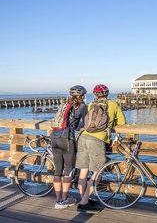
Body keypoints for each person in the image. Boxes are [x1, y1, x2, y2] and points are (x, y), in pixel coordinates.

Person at [76, 84, 126, 212]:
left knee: (84, 171)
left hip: (83, 138)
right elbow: (122, 123)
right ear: (107, 93)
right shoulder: (113, 104)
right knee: (98, 172)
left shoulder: (91, 105)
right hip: (97, 140)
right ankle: (84, 202)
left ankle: (85, 199)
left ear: (95, 95)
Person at [50, 85, 88, 209]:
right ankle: (64, 199)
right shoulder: (82, 106)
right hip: (66, 139)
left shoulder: (65, 104)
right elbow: (87, 124)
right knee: (68, 171)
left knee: (57, 171)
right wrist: (79, 125)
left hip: (54, 138)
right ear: (82, 96)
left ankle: (58, 200)